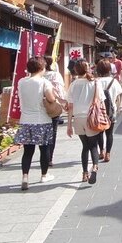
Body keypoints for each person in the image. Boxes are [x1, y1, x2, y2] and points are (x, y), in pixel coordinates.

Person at [14, 56, 57, 190]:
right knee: (44, 149)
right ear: (42, 68)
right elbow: (51, 98)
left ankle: (25, 177)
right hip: (41, 120)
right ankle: (44, 175)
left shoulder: (21, 81)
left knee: (28, 151)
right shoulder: (44, 82)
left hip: (26, 120)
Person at [66, 60, 103, 184]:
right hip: (91, 117)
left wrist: (69, 125)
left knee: (85, 146)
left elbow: (70, 106)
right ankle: (95, 167)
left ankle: (84, 173)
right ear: (88, 68)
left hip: (78, 118)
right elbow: (100, 100)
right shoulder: (94, 83)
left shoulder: (73, 84)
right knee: (93, 145)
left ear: (76, 70)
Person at [94, 59, 122, 163]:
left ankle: (101, 151)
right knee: (109, 134)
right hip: (111, 110)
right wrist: (118, 108)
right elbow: (119, 96)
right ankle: (108, 154)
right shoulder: (113, 81)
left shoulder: (95, 81)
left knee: (99, 132)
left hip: (99, 111)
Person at [43, 56, 68, 167]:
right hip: (53, 105)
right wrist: (63, 102)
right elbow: (60, 90)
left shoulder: (38, 76)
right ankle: (49, 158)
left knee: (43, 132)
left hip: (41, 107)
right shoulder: (55, 75)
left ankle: (44, 155)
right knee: (53, 132)